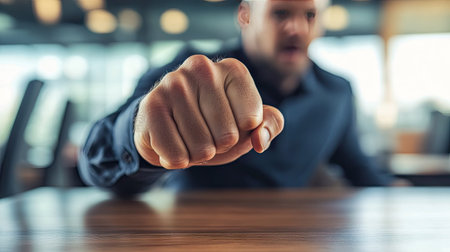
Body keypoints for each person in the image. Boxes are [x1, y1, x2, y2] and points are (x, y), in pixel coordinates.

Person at [78, 0, 402, 195]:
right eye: (280, 13)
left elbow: (358, 167)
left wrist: (400, 193)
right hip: (193, 235)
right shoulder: (187, 73)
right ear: (245, 16)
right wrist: (140, 139)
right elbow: (95, 159)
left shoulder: (337, 93)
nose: (296, 28)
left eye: (310, 16)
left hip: (292, 237)